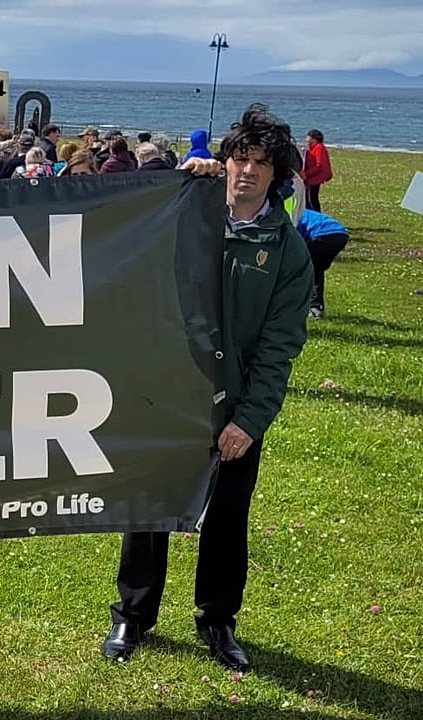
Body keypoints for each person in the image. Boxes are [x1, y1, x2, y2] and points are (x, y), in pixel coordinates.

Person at [104, 103, 312, 672]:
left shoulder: (287, 250)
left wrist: (251, 419)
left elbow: (280, 344)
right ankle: (133, 614)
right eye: (237, 159)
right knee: (147, 508)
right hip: (166, 392)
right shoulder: (183, 210)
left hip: (234, 403)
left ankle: (218, 620)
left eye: (259, 164)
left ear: (276, 175)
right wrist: (178, 180)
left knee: (226, 518)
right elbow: (123, 232)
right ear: (224, 163)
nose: (246, 172)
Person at [296, 208, 348, 318]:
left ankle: (302, 306)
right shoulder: (300, 212)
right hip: (340, 234)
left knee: (304, 269)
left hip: (323, 234)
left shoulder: (292, 216)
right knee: (315, 270)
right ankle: (316, 307)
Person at [301, 129, 332, 212]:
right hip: (312, 177)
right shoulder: (311, 148)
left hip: (315, 178)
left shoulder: (319, 148)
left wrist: (307, 174)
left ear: (314, 139)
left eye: (308, 137)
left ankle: (316, 216)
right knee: (308, 199)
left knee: (312, 199)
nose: (306, 139)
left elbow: (319, 165)